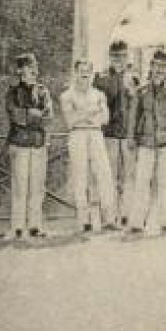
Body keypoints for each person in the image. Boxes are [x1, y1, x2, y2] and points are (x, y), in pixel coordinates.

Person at [126, 49, 166, 234]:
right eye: (157, 66)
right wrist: (131, 139)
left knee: (165, 182)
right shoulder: (141, 91)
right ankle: (137, 222)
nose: (160, 70)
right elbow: (133, 117)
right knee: (141, 182)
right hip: (145, 144)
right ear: (151, 67)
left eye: (164, 67)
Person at [61, 59, 119, 233]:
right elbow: (70, 120)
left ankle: (109, 218)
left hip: (95, 134)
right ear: (76, 73)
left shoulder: (99, 95)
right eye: (81, 71)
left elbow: (105, 118)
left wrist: (82, 113)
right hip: (77, 134)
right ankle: (84, 220)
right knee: (80, 176)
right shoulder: (67, 95)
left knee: (104, 174)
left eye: (88, 71)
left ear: (92, 74)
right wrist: (91, 112)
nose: (85, 75)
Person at [5, 52, 52, 239]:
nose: (34, 70)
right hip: (20, 144)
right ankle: (17, 226)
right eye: (29, 67)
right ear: (20, 71)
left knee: (37, 187)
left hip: (38, 144)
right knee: (20, 186)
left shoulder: (43, 91)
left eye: (35, 67)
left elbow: (49, 118)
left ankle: (34, 225)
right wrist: (35, 115)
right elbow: (16, 116)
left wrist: (30, 115)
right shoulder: (13, 92)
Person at [95, 41, 138, 225]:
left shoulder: (134, 79)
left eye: (122, 56)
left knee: (129, 176)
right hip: (110, 134)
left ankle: (126, 213)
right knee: (109, 176)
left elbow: (138, 107)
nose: (119, 60)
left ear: (127, 57)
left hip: (128, 134)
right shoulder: (101, 79)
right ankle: (109, 217)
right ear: (110, 57)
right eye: (115, 57)